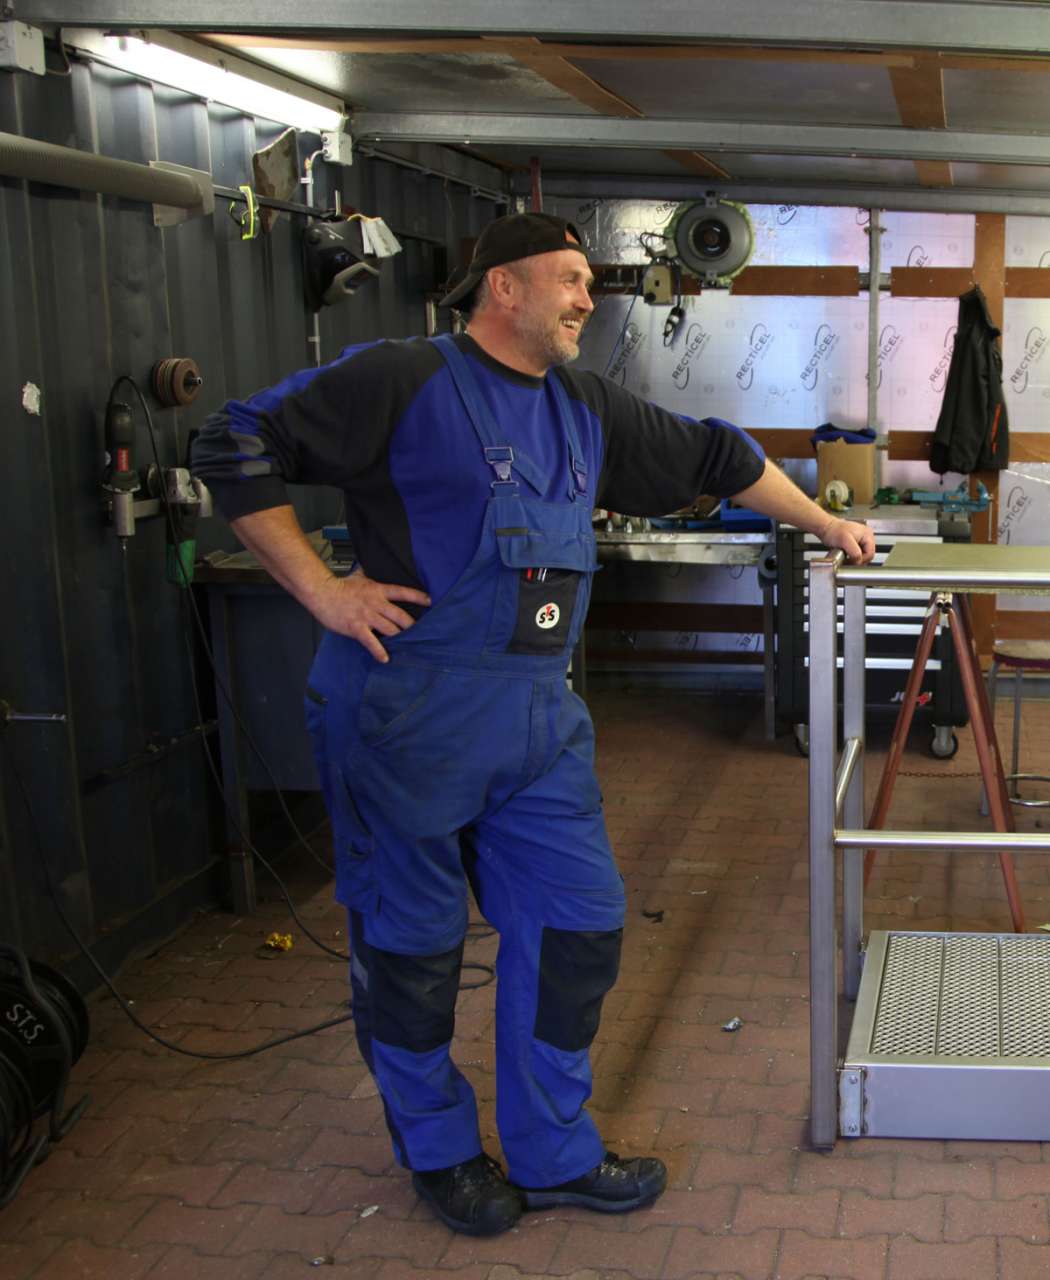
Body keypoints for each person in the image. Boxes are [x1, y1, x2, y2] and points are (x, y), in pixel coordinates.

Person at [191, 212, 875, 1237]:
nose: (586, 297)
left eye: (588, 281)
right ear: (500, 287)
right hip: (406, 710)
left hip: (538, 720)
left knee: (577, 924)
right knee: (414, 946)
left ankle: (553, 1152)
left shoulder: (583, 406)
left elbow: (715, 454)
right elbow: (232, 438)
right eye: (568, 278)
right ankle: (439, 1149)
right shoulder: (402, 378)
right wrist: (327, 591)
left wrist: (825, 522)